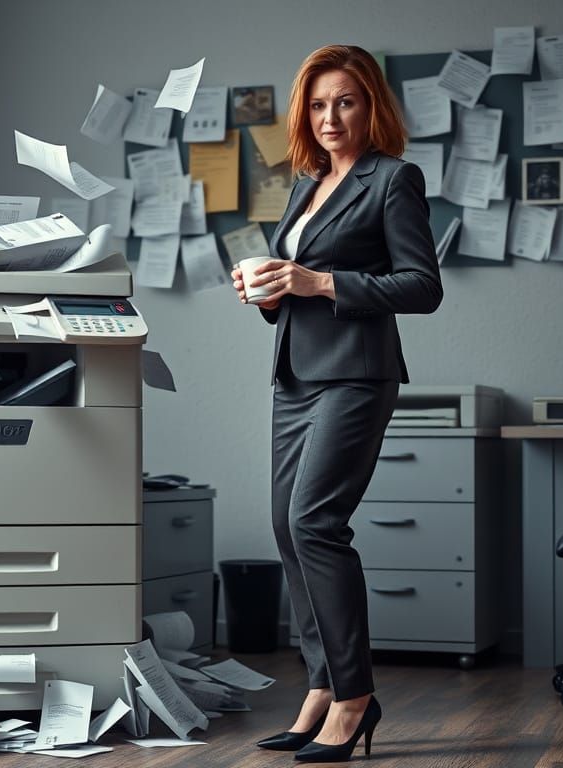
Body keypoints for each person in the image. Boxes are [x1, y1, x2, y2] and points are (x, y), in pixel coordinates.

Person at [230, 44, 442, 763]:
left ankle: (354, 695)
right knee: (287, 532)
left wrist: (320, 282)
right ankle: (320, 686)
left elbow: (422, 286)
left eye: (344, 101)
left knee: (315, 523)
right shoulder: (308, 182)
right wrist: (266, 287)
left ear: (371, 105)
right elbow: (296, 283)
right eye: (318, 104)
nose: (329, 117)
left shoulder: (393, 180)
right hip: (295, 375)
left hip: (355, 376)